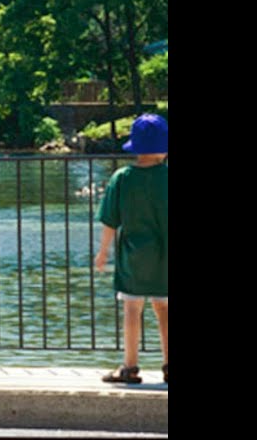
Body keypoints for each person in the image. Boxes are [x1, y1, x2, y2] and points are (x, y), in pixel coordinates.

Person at [94, 113, 168, 384]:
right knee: (165, 310)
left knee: (132, 310)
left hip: (133, 256)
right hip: (166, 257)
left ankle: (130, 367)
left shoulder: (122, 178)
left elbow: (110, 221)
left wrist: (102, 253)